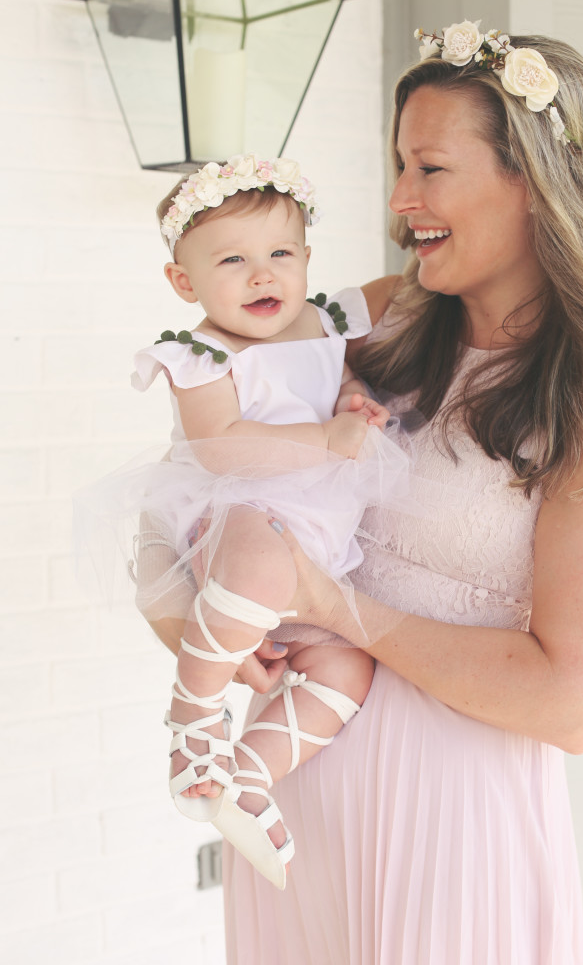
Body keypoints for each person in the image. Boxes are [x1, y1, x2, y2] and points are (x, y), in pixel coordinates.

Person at [204, 24, 583, 962]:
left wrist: (328, 603)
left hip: (454, 809)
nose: (399, 200)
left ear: (531, 183)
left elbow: (576, 704)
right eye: (397, 165)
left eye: (428, 168)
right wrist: (210, 625)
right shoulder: (376, 321)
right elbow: (209, 432)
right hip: (299, 777)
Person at [76, 154, 421, 891]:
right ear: (184, 281)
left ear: (305, 260)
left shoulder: (326, 320)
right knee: (260, 568)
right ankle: (194, 721)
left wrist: (352, 399)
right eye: (232, 260)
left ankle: (249, 774)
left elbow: (334, 376)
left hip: (317, 530)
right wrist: (325, 441)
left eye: (279, 255)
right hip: (234, 510)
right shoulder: (199, 353)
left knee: (347, 665)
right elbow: (219, 443)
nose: (262, 275)